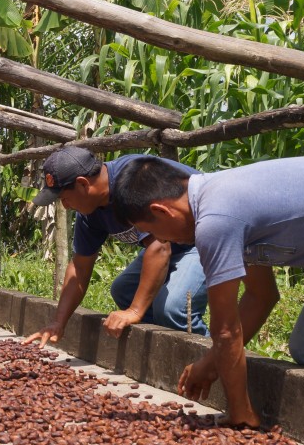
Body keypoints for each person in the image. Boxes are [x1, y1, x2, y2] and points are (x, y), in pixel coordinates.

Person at [111, 155, 304, 427]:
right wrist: (212, 361)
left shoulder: (215, 219)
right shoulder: (218, 204)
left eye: (153, 231)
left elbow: (226, 330)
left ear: (162, 210)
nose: (161, 240)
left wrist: (240, 413)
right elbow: (261, 296)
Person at [22, 146, 209, 352]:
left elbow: (159, 247)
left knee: (173, 308)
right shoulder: (89, 213)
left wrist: (135, 311)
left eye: (64, 198)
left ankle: (211, 360)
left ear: (83, 184)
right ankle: (165, 351)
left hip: (201, 236)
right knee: (123, 291)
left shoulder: (133, 179)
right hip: (168, 242)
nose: (65, 206)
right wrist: (58, 323)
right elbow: (80, 267)